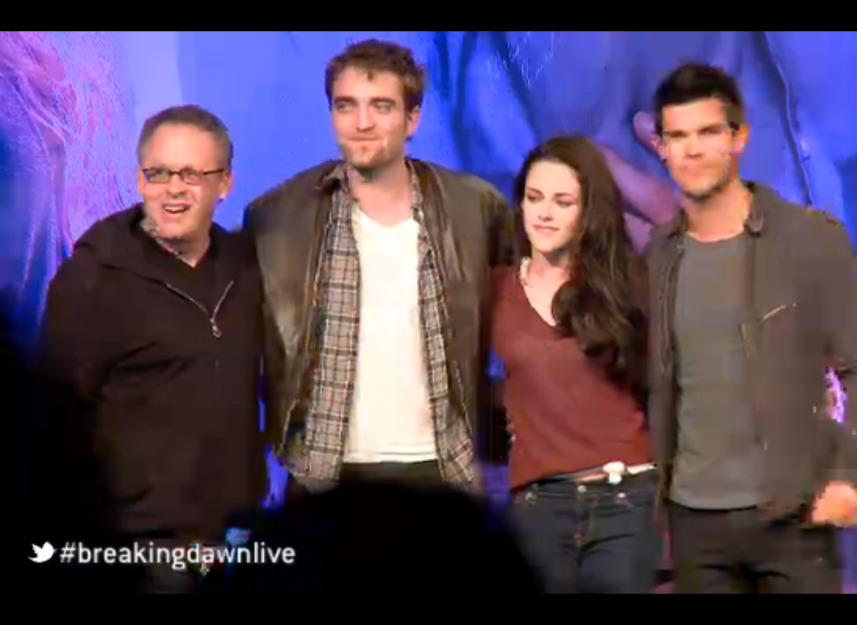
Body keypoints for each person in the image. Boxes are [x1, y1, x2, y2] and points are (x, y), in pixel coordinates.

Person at [643, 63, 857, 594]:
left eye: (708, 132)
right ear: (661, 147)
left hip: (793, 517)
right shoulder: (660, 255)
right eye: (678, 136)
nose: (693, 150)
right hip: (694, 523)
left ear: (739, 137)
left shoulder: (808, 238)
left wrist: (852, 477)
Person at [242, 39, 514, 498]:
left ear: (413, 119)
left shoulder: (474, 207)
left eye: (381, 106)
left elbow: (524, 309)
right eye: (346, 105)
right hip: (324, 473)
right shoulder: (277, 217)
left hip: (441, 470)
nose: (362, 123)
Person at [36, 104, 266, 593]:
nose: (173, 189)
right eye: (158, 173)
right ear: (140, 181)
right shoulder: (91, 280)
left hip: (240, 541)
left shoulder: (247, 269)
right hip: (139, 551)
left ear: (225, 183)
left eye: (191, 174)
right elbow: (53, 427)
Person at [490, 136, 660, 594]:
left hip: (625, 500)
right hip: (539, 506)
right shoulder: (495, 290)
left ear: (588, 211)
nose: (544, 213)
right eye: (534, 198)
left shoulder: (628, 284)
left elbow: (666, 385)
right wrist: (513, 406)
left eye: (562, 202)